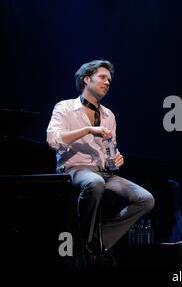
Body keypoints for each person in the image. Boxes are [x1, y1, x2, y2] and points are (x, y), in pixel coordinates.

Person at [47, 59, 155, 266]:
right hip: (74, 169)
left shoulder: (109, 115)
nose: (107, 83)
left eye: (109, 80)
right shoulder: (66, 107)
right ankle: (86, 240)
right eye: (102, 78)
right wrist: (87, 130)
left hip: (103, 173)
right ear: (87, 79)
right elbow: (53, 140)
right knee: (94, 183)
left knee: (146, 199)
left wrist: (115, 160)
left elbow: (109, 153)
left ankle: (98, 242)